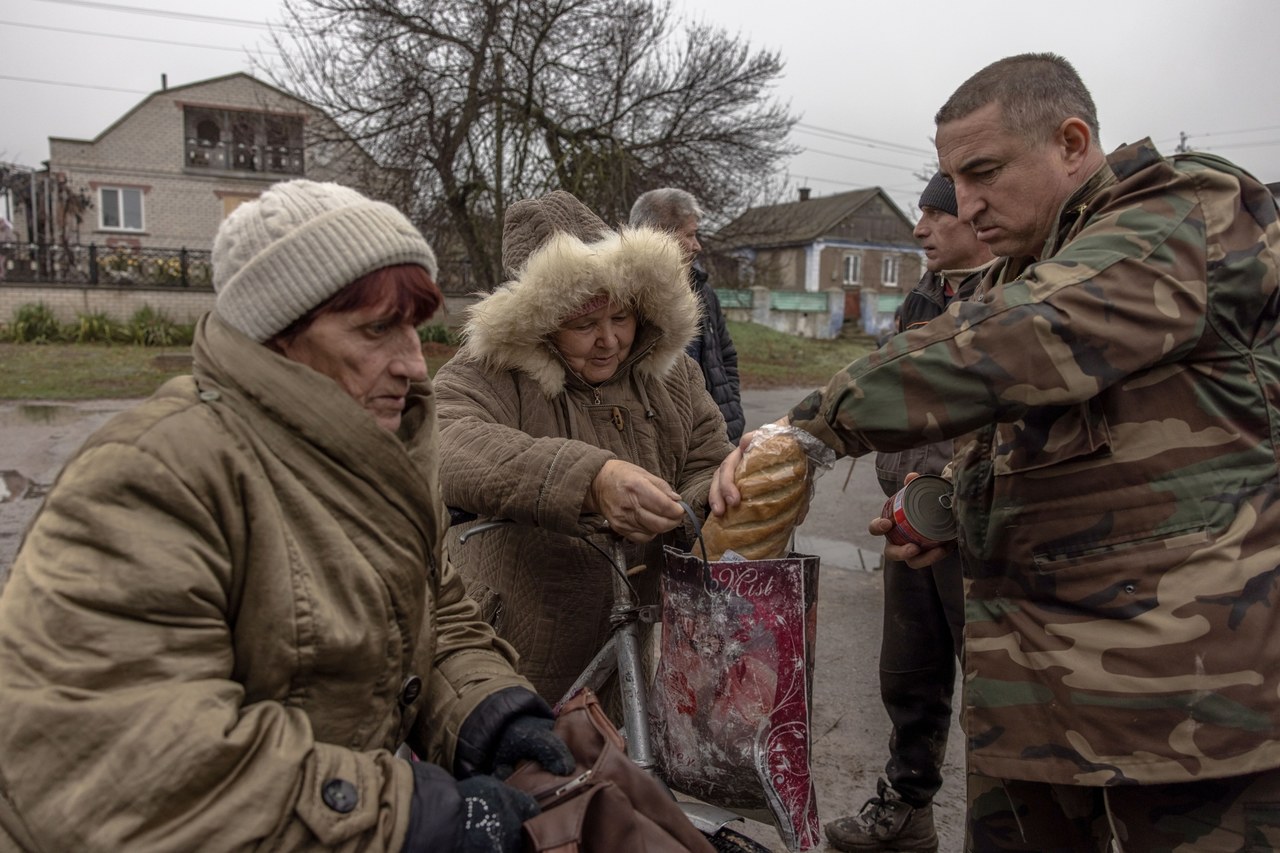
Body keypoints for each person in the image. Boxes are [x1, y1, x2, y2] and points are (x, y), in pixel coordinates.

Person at [711, 53, 1280, 851]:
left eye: (983, 172)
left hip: (1186, 711)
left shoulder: (1185, 212)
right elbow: (1046, 442)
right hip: (1037, 704)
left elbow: (1023, 340)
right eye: (952, 178)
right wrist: (955, 511)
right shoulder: (1022, 265)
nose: (965, 204)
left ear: (1072, 142)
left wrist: (811, 426)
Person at [0, 179, 575, 852]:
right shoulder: (151, 478)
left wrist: (490, 712)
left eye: (415, 328)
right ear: (279, 335)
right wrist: (409, 818)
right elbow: (134, 766)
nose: (415, 365)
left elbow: (432, 611)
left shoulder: (374, 453)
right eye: (376, 329)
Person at [433, 190, 735, 704]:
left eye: (621, 318)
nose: (609, 340)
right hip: (511, 649)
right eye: (583, 325)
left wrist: (708, 499)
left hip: (628, 646)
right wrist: (591, 481)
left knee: (615, 771)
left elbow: (706, 457)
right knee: (524, 775)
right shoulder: (488, 373)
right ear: (540, 322)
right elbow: (446, 442)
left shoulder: (674, 374)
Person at [825, 172, 993, 853]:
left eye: (935, 213)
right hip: (909, 517)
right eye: (919, 212)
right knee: (908, 675)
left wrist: (951, 485)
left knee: (993, 692)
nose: (920, 227)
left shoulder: (1013, 297)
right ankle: (905, 809)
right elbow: (892, 393)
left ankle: (999, 826)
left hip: (976, 530)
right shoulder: (927, 293)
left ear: (977, 217)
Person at [630, 188, 745, 443]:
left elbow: (726, 356)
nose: (697, 246)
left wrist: (731, 411)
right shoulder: (625, 298)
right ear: (660, 236)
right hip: (661, 443)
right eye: (690, 235)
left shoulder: (703, 292)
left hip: (718, 434)